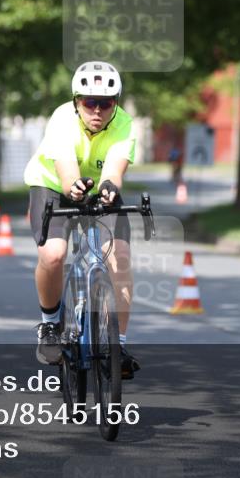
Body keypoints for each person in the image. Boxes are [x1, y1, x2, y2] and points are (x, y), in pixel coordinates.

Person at [22, 61, 140, 378]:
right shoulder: (62, 119)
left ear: (116, 103)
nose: (97, 110)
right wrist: (74, 187)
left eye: (106, 102)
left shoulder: (125, 124)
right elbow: (66, 173)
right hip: (53, 185)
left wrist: (110, 187)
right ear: (77, 102)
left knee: (122, 258)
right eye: (89, 101)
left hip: (101, 189)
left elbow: (115, 169)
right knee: (54, 253)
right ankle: (49, 326)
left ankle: (120, 346)